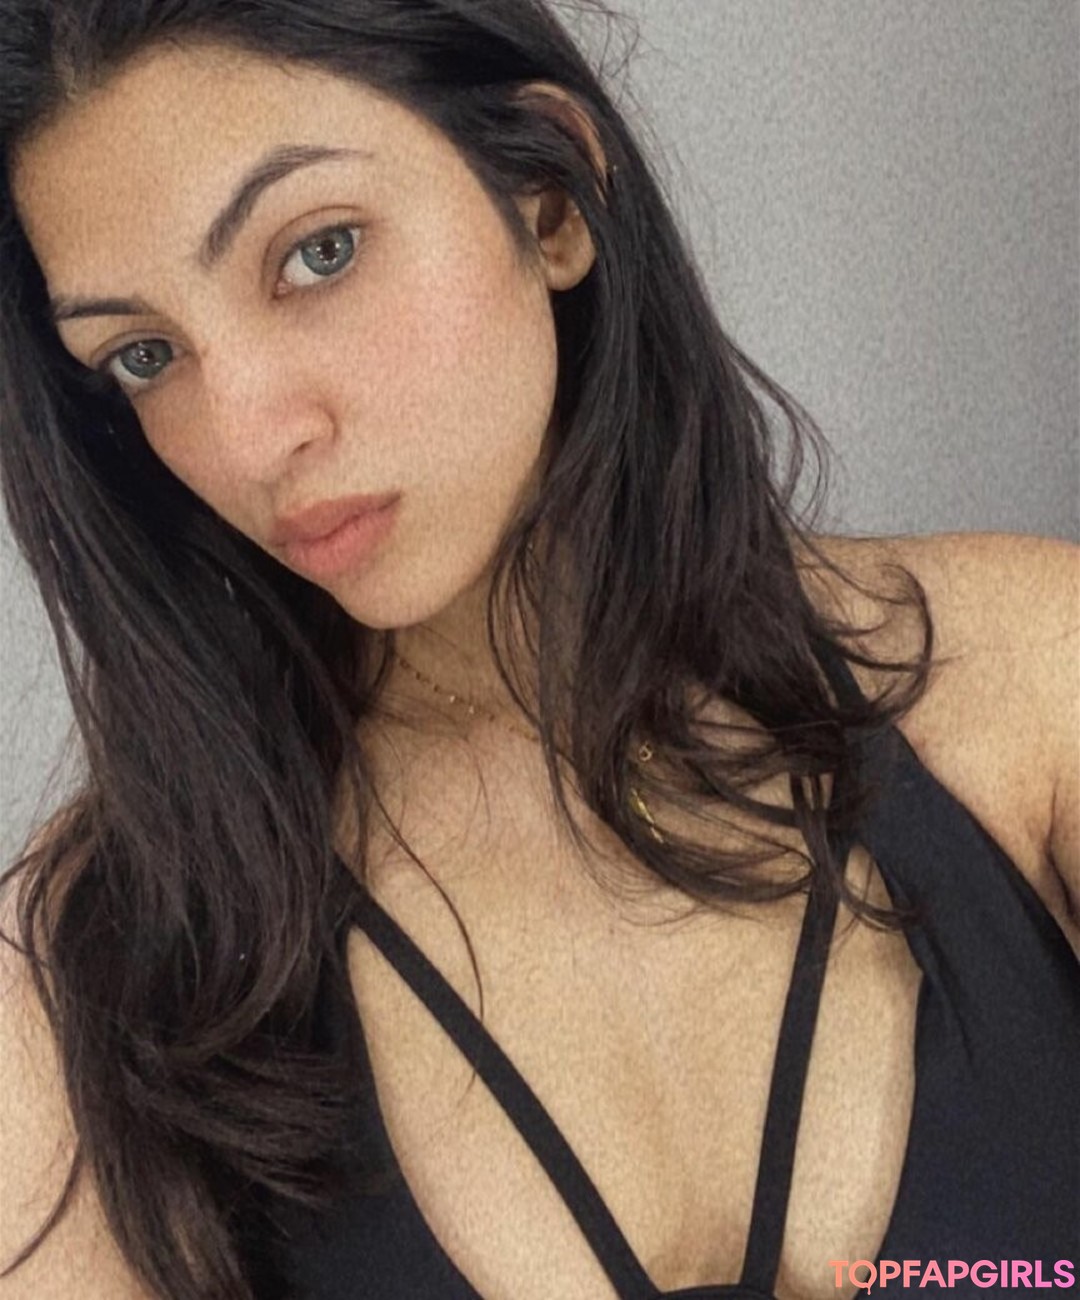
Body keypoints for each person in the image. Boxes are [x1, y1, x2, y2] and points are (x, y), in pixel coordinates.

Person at [0, 2, 1076, 1298]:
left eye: (319, 252)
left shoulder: (1035, 681)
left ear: (551, 198)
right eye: (144, 355)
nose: (247, 436)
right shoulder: (80, 983)